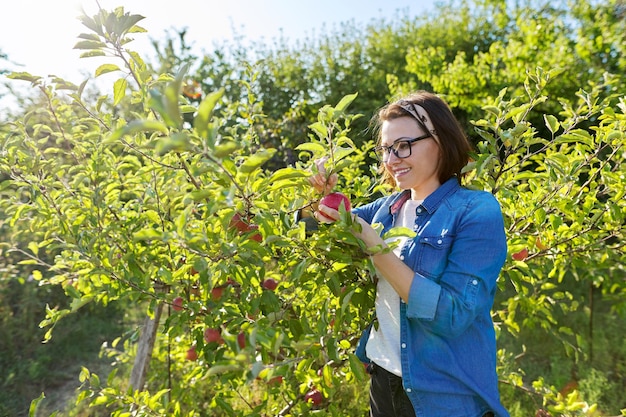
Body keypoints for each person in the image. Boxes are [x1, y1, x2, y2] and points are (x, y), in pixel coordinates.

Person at [308, 91, 509, 417]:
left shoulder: (477, 210)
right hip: (383, 376)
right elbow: (329, 224)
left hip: (442, 390)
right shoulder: (387, 208)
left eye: (403, 145)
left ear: (440, 140)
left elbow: (454, 315)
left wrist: (376, 247)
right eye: (386, 149)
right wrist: (326, 197)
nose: (391, 159)